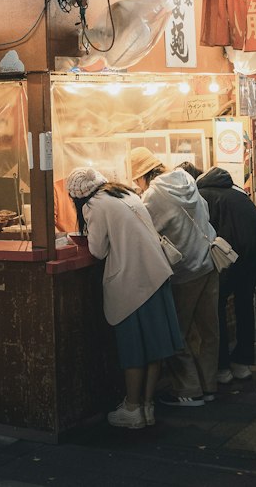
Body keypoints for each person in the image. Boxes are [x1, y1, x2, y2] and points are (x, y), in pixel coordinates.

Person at [66, 165, 181, 430]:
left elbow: (97, 249)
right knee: (154, 347)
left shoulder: (93, 205)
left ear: (78, 195)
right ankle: (147, 407)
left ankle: (131, 408)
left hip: (133, 283)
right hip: (157, 275)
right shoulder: (126, 194)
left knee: (134, 349)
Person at [129, 146, 219, 407]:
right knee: (207, 330)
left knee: (178, 331)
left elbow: (143, 229)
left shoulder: (153, 194)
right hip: (209, 261)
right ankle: (208, 386)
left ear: (141, 176)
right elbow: (205, 212)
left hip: (185, 270)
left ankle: (189, 390)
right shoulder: (186, 179)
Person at [196, 165, 256, 382]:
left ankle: (222, 367)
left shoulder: (202, 195)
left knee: (216, 304)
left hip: (231, 253)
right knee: (244, 303)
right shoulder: (236, 192)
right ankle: (243, 363)